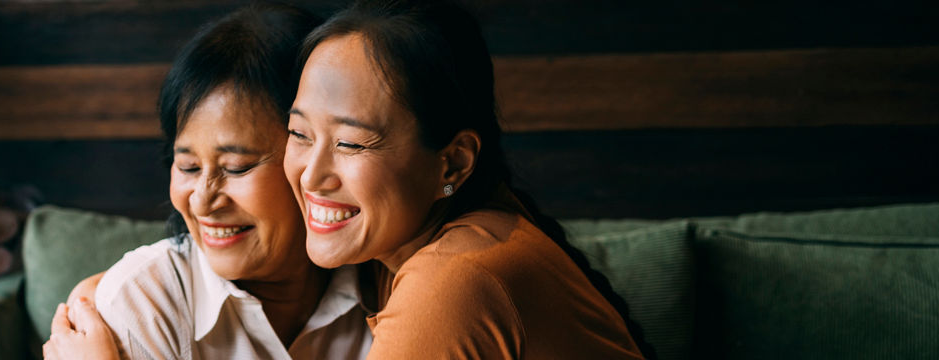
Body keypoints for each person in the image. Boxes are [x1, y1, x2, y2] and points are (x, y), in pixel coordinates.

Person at [282, 0, 653, 358]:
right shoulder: (409, 245)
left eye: (350, 143)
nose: (312, 176)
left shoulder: (453, 282)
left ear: (453, 164)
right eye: (299, 133)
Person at [43, 3, 372, 359]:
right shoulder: (141, 303)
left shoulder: (385, 282)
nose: (201, 201)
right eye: (188, 167)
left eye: (235, 167)